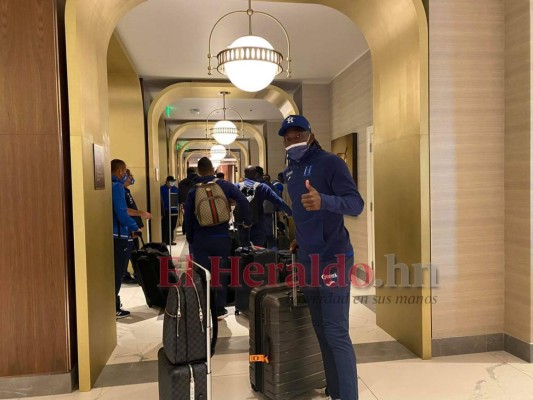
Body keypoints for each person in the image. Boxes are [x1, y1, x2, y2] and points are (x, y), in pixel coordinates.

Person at [279, 115, 364, 400]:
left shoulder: (331, 163)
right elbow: (304, 215)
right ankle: (335, 391)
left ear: (310, 134)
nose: (293, 140)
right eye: (288, 137)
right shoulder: (291, 169)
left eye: (298, 134)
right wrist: (299, 239)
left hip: (333, 258)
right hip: (307, 259)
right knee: (320, 330)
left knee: (336, 331)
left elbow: (356, 204)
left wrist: (325, 200)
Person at [183, 157, 252, 320]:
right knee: (220, 272)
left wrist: (190, 237)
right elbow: (243, 200)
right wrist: (246, 221)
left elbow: (188, 218)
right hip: (221, 237)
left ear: (199, 171)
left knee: (201, 274)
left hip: (200, 238)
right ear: (213, 169)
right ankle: (219, 308)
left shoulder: (194, 190)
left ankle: (205, 306)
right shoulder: (225, 185)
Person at [111, 159, 141, 319]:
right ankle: (114, 307)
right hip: (119, 236)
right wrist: (135, 227)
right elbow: (122, 212)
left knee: (112, 273)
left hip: (109, 235)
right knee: (116, 273)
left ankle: (112, 304)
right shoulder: (116, 187)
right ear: (120, 171)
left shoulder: (105, 185)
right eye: (124, 171)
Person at [235, 166, 292, 247]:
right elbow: (278, 200)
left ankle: (246, 258)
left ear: (244, 175)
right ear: (256, 174)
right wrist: (289, 212)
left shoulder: (237, 186)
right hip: (257, 220)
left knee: (244, 248)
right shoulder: (262, 187)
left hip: (242, 223)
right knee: (258, 248)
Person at [122, 169, 151, 284]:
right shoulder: (121, 192)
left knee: (134, 251)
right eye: (130, 176)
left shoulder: (126, 191)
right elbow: (125, 211)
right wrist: (140, 214)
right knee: (130, 252)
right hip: (129, 229)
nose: (132, 178)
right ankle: (126, 274)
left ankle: (137, 274)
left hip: (133, 227)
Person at [178, 167, 198, 236]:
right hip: (196, 203)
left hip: (185, 203)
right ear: (195, 172)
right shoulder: (198, 181)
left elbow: (179, 194)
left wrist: (180, 203)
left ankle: (186, 231)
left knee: (187, 217)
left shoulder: (181, 183)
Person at [161, 176, 179, 245]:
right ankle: (164, 240)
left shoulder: (176, 189)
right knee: (165, 225)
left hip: (174, 210)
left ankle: (170, 240)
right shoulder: (162, 189)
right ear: (167, 181)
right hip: (166, 210)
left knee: (172, 225)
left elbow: (178, 199)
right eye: (171, 181)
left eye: (173, 181)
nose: (172, 183)